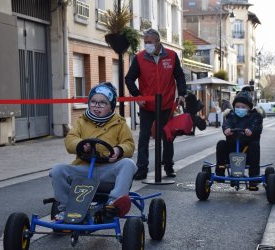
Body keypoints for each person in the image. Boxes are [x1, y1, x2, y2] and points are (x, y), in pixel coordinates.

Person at [49, 82, 137, 219]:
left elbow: (129, 145)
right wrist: (80, 145)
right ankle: (65, 208)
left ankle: (114, 203)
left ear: (111, 106)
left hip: (107, 172)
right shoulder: (81, 122)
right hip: (83, 170)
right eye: (93, 102)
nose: (97, 106)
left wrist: (119, 150)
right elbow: (70, 140)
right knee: (57, 170)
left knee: (128, 164)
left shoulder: (120, 124)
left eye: (102, 103)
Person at [125, 28, 186, 180]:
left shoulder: (172, 56)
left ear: (158, 42)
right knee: (144, 137)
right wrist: (137, 96)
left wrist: (182, 94)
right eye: (145, 43)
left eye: (149, 42)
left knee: (167, 136)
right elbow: (129, 78)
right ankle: (142, 169)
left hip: (166, 105)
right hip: (147, 105)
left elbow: (179, 76)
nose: (146, 45)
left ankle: (169, 166)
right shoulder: (139, 58)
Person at [215, 91, 263, 191]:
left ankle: (253, 178)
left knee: (254, 145)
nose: (240, 109)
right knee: (221, 144)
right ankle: (220, 170)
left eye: (243, 107)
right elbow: (227, 124)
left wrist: (251, 130)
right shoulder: (231, 115)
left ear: (249, 108)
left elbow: (256, 125)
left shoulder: (255, 116)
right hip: (232, 150)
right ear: (234, 107)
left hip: (247, 151)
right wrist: (226, 130)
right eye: (238, 106)